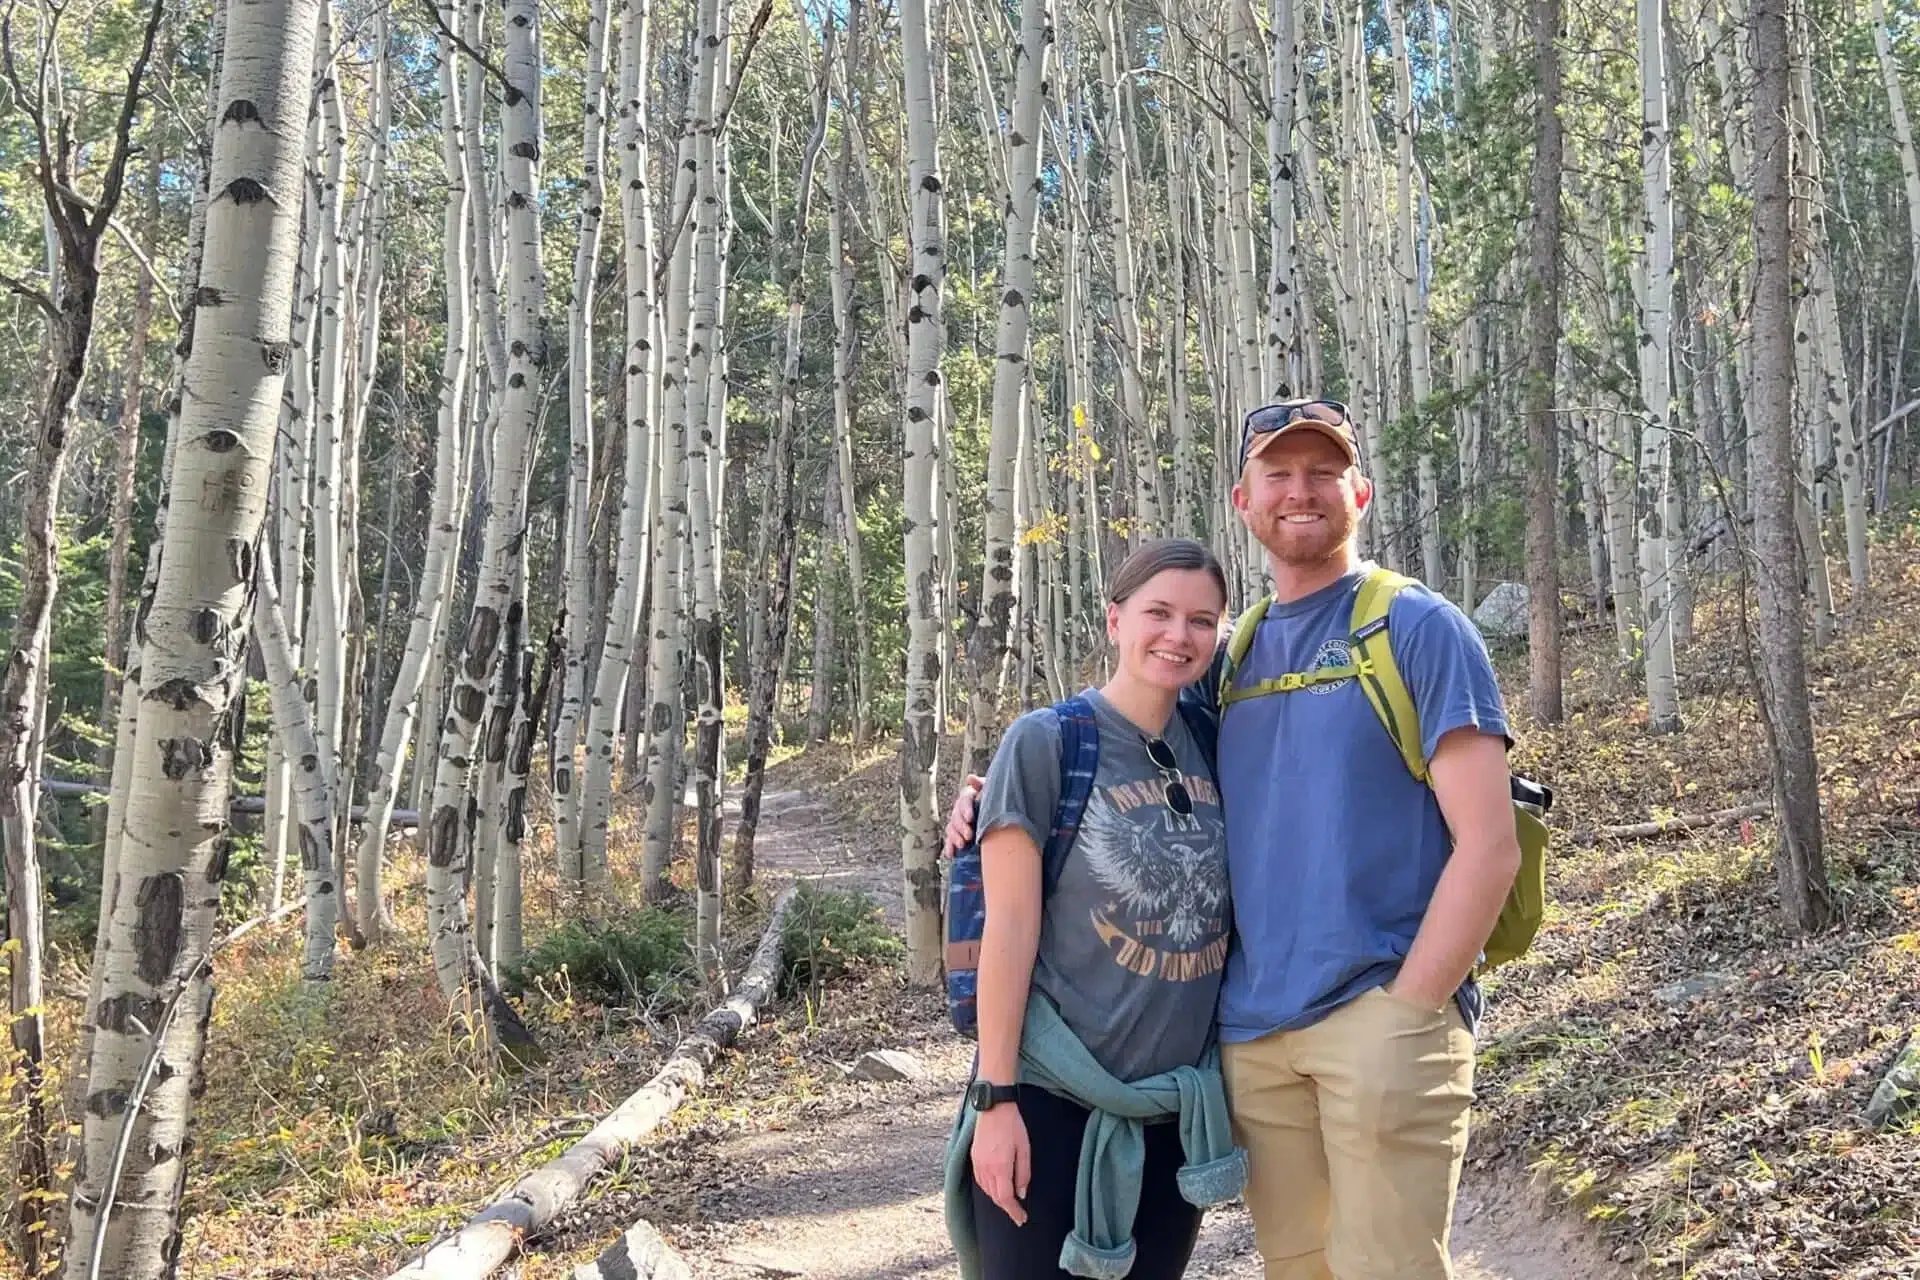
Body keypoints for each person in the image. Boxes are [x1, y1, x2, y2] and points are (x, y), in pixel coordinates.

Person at [948, 400, 1521, 1280]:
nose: (1302, 492)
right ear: (1244, 499)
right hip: (1251, 1041)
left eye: (1323, 473)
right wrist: (995, 803)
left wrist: (1410, 1010)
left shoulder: (1417, 627)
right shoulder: (1238, 656)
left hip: (1380, 1017)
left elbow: (1490, 845)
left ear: (1359, 493)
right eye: (1278, 475)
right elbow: (1130, 740)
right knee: (1298, 1267)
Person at [942, 537, 1246, 1280]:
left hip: (1173, 1111)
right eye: (1159, 612)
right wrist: (996, 1101)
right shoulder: (1047, 743)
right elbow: (1009, 931)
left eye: (1201, 620)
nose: (1179, 636)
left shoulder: (1217, 737)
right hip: (1047, 1098)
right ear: (1114, 621)